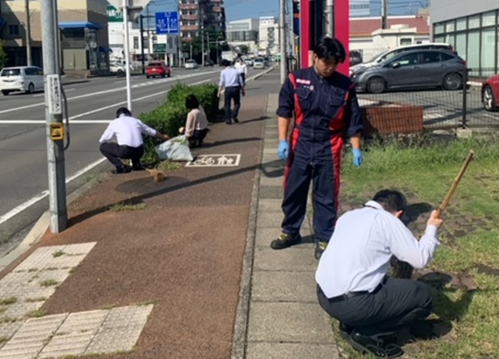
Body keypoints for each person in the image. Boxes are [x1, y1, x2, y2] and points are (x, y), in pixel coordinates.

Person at [315, 190, 443, 358]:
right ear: (399, 213)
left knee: (382, 282)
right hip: (352, 306)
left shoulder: (348, 216)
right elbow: (420, 259)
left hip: (324, 296)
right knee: (423, 296)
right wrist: (431, 229)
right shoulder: (387, 220)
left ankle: (348, 324)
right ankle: (368, 333)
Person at [271, 37, 365, 259]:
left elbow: (353, 120)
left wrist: (356, 148)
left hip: (329, 144)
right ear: (315, 57)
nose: (331, 67)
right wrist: (282, 140)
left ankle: (324, 238)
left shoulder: (345, 86)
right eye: (326, 62)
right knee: (294, 190)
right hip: (300, 141)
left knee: (326, 195)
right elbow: (284, 111)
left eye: (335, 63)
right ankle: (290, 231)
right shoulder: (296, 80)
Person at [99, 107, 169, 174]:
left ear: (118, 116)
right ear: (129, 114)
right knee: (135, 143)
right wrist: (163, 136)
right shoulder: (136, 121)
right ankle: (136, 164)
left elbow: (103, 139)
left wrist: (115, 144)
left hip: (125, 151)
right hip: (140, 151)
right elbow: (150, 131)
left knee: (103, 147)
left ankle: (120, 166)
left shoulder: (115, 122)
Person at [218, 59, 245, 125]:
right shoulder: (236, 71)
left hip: (228, 89)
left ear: (224, 65)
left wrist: (219, 92)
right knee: (237, 103)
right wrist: (243, 90)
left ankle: (228, 119)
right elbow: (241, 82)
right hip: (236, 88)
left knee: (227, 104)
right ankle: (234, 114)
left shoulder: (223, 72)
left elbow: (221, 82)